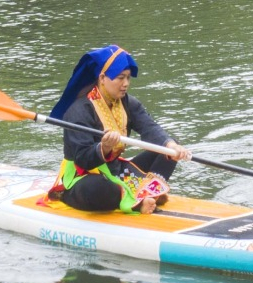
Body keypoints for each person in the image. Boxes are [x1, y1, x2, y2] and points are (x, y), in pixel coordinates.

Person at [47, 44, 190, 215]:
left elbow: (150, 128)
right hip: (82, 177)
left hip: (116, 170)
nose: (126, 84)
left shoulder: (128, 103)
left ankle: (148, 193)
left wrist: (171, 145)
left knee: (167, 150)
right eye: (120, 78)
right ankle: (137, 203)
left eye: (128, 78)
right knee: (101, 188)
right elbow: (82, 159)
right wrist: (104, 148)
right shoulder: (79, 110)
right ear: (102, 78)